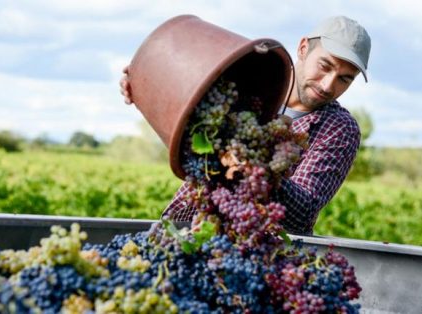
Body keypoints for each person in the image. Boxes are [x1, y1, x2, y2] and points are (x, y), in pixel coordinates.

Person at [120, 16, 371, 235]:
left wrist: (253, 169)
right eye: (325, 66)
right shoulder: (251, 83)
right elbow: (188, 118)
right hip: (184, 226)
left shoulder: (338, 128)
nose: (328, 85)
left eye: (344, 79)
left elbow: (303, 212)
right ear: (303, 48)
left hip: (255, 254)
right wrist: (143, 86)